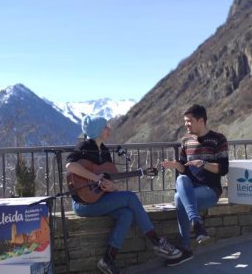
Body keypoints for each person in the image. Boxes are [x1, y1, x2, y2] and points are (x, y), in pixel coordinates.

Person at [66, 115, 182, 274]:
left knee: (126, 214)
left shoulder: (104, 151)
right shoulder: (84, 146)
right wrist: (96, 178)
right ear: (97, 130)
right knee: (130, 197)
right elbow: (70, 166)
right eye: (105, 127)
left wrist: (110, 186)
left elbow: (110, 182)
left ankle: (107, 260)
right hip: (83, 204)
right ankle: (156, 241)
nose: (109, 129)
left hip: (97, 199)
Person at [161, 104, 229, 266]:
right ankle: (197, 223)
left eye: (189, 121)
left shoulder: (218, 139)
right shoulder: (185, 141)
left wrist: (203, 163)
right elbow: (184, 169)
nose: (186, 125)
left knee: (179, 198)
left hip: (210, 190)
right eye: (185, 121)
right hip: (190, 188)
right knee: (181, 180)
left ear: (201, 120)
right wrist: (176, 165)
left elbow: (223, 169)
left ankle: (185, 249)